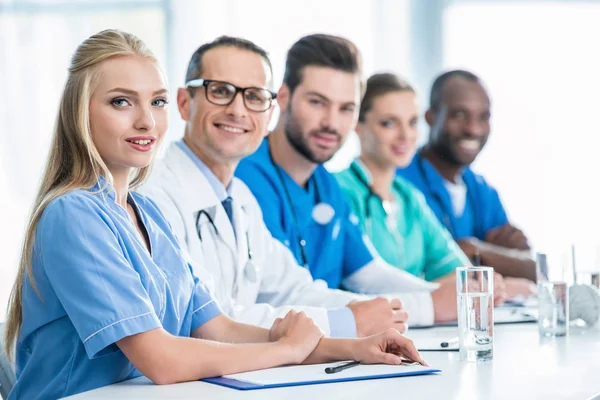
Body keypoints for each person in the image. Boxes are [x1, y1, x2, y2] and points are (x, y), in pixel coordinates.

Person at [3, 30, 424, 400]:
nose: (146, 120)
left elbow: (217, 328)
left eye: (157, 102)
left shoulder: (144, 211)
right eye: (120, 102)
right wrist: (284, 351)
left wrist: (352, 347)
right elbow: (161, 360)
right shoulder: (73, 213)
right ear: (80, 112)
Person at [138, 36, 411, 339]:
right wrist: (345, 322)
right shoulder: (152, 195)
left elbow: (292, 290)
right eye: (220, 91)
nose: (238, 111)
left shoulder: (240, 199)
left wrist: (375, 311)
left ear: (269, 114)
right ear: (184, 103)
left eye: (254, 97)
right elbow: (206, 321)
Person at [236, 34, 500, 325]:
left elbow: (367, 273)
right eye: (317, 103)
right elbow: (284, 294)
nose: (331, 122)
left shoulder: (324, 184)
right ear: (283, 97)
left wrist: (453, 295)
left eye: (346, 108)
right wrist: (429, 305)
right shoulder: (247, 177)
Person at [335, 73, 532, 298]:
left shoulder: (409, 197)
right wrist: (459, 289)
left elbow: (457, 270)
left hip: (418, 326)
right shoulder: (338, 191)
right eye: (388, 123)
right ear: (356, 125)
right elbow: (365, 280)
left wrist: (487, 284)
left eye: (412, 122)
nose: (405, 135)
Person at [397, 70, 536, 283]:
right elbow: (418, 269)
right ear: (430, 117)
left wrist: (475, 249)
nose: (473, 129)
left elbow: (532, 269)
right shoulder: (400, 182)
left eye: (483, 117)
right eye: (459, 115)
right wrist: (496, 256)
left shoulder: (482, 191)